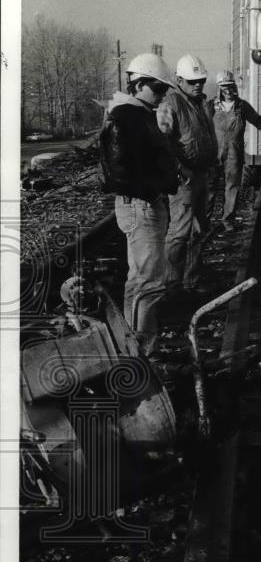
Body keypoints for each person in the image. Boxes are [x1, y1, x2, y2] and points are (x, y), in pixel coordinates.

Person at [98, 53, 179, 356]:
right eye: (158, 88)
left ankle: (133, 347)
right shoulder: (126, 116)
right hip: (142, 204)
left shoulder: (137, 113)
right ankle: (143, 353)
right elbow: (118, 173)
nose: (162, 95)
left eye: (164, 89)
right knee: (150, 281)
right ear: (139, 84)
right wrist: (156, 187)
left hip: (142, 203)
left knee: (140, 280)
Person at [157, 54, 218, 297]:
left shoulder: (201, 103)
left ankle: (191, 281)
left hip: (201, 174)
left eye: (201, 80)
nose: (198, 85)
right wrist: (180, 169)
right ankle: (170, 284)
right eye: (193, 81)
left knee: (198, 231)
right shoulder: (170, 104)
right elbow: (162, 143)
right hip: (184, 179)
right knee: (180, 233)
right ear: (179, 80)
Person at [213, 70, 261, 231]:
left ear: (234, 86)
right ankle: (203, 222)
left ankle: (228, 220)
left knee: (232, 186)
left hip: (234, 153)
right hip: (214, 152)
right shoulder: (211, 106)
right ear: (219, 88)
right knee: (209, 187)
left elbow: (257, 120)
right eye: (224, 87)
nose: (228, 90)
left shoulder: (242, 106)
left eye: (230, 86)